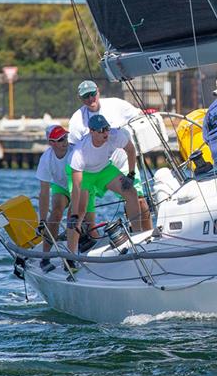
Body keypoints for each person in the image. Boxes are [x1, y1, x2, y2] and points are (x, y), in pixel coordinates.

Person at [68, 80, 150, 230]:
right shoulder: (76, 120)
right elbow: (74, 154)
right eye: (86, 97)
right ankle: (77, 246)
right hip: (89, 168)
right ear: (80, 99)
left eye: (93, 94)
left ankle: (146, 236)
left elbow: (138, 115)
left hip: (121, 162)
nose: (90, 99)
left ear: (98, 91)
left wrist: (130, 174)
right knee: (80, 209)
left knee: (138, 199)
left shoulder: (116, 104)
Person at [67, 115, 148, 254]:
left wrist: (131, 174)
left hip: (104, 169)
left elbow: (131, 150)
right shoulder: (79, 152)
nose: (105, 133)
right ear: (91, 131)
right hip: (84, 174)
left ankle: (137, 236)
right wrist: (73, 213)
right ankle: (71, 256)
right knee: (79, 212)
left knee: (131, 192)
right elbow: (76, 186)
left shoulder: (115, 135)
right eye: (101, 130)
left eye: (107, 129)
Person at [34, 125, 91, 271]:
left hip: (80, 185)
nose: (65, 141)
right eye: (60, 140)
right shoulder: (46, 159)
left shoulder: (74, 152)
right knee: (56, 213)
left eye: (65, 137)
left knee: (73, 213)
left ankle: (71, 257)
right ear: (51, 143)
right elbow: (44, 193)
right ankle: (45, 257)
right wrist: (42, 220)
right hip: (61, 187)